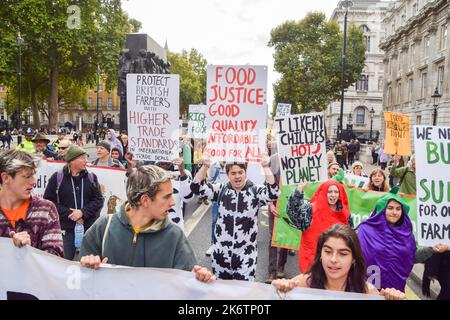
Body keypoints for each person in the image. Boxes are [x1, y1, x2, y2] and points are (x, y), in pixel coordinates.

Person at [78, 165, 214, 284]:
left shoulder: (174, 235)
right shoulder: (104, 227)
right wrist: (88, 265)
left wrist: (200, 278)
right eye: (167, 196)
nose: (173, 202)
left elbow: (187, 285)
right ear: (145, 200)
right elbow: (80, 278)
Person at [191, 155, 279, 281]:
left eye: (240, 172)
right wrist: (205, 166)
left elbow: (274, 193)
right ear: (228, 174)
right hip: (221, 256)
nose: (237, 176)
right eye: (233, 173)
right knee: (221, 294)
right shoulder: (220, 189)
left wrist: (265, 167)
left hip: (245, 258)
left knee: (243, 295)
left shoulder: (255, 191)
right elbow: (196, 187)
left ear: (245, 172)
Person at [271, 224, 406, 300]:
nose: (333, 259)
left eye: (343, 253)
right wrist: (278, 290)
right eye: (328, 251)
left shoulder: (367, 293)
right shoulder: (302, 284)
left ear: (353, 258)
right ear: (320, 254)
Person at [44, 145, 104, 260]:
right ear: (72, 161)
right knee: (64, 264)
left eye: (86, 157)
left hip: (88, 230)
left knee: (88, 266)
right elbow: (49, 202)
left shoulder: (91, 177)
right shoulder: (57, 177)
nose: (86, 161)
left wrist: (82, 213)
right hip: (66, 231)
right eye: (82, 158)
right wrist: (70, 214)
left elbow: (99, 200)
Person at [285, 170, 352, 273]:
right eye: (330, 192)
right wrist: (299, 190)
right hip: (312, 261)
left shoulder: (345, 213)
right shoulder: (311, 209)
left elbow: (351, 238)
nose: (333, 195)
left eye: (336, 192)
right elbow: (293, 213)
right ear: (324, 192)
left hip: (335, 263)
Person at [0, 150, 63, 257]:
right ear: (6, 178)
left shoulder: (45, 209)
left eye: (34, 175)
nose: (33, 181)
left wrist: (30, 250)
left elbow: (56, 258)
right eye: (27, 176)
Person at [357, 187, 416, 292]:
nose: (394, 212)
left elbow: (413, 256)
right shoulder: (364, 230)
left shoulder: (407, 234)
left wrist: (432, 249)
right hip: (370, 288)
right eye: (390, 208)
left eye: (398, 209)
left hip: (396, 290)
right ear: (382, 209)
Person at [155, 158, 195, 228]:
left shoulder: (183, 173)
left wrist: (182, 172)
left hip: (175, 226)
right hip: (153, 228)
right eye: (162, 162)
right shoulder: (150, 174)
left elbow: (188, 198)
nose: (164, 162)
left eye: (167, 161)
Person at [205, 160, 228, 256]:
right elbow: (209, 181)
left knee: (228, 221)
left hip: (230, 198)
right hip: (217, 198)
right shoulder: (214, 165)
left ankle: (226, 247)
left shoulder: (233, 163)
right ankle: (213, 244)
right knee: (215, 221)